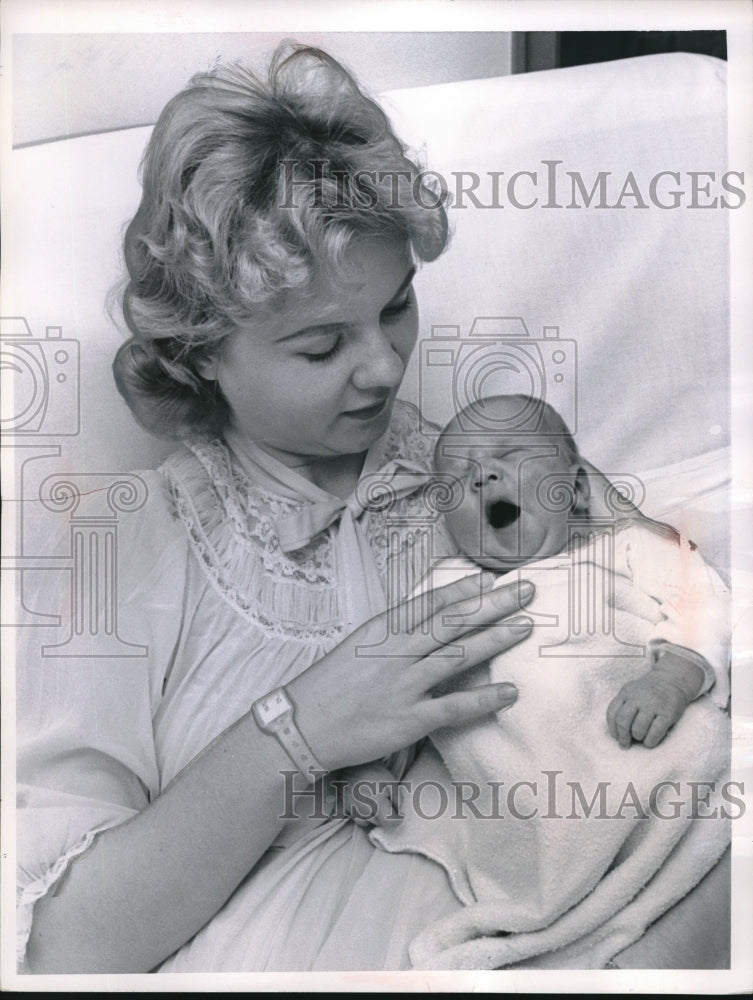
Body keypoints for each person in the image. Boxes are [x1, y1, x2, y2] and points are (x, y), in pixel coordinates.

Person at [16, 44, 536, 975]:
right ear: (203, 347)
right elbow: (64, 950)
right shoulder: (123, 543)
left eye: (397, 308)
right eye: (319, 345)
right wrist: (295, 731)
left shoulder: (490, 469)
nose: (381, 366)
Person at [362, 394, 731, 969]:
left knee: (708, 749)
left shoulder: (620, 549)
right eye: (458, 477)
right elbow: (402, 685)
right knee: (541, 839)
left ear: (577, 489)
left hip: (641, 743)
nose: (483, 474)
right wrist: (374, 762)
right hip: (533, 787)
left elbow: (699, 600)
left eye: (509, 455)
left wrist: (674, 678)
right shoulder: (446, 587)